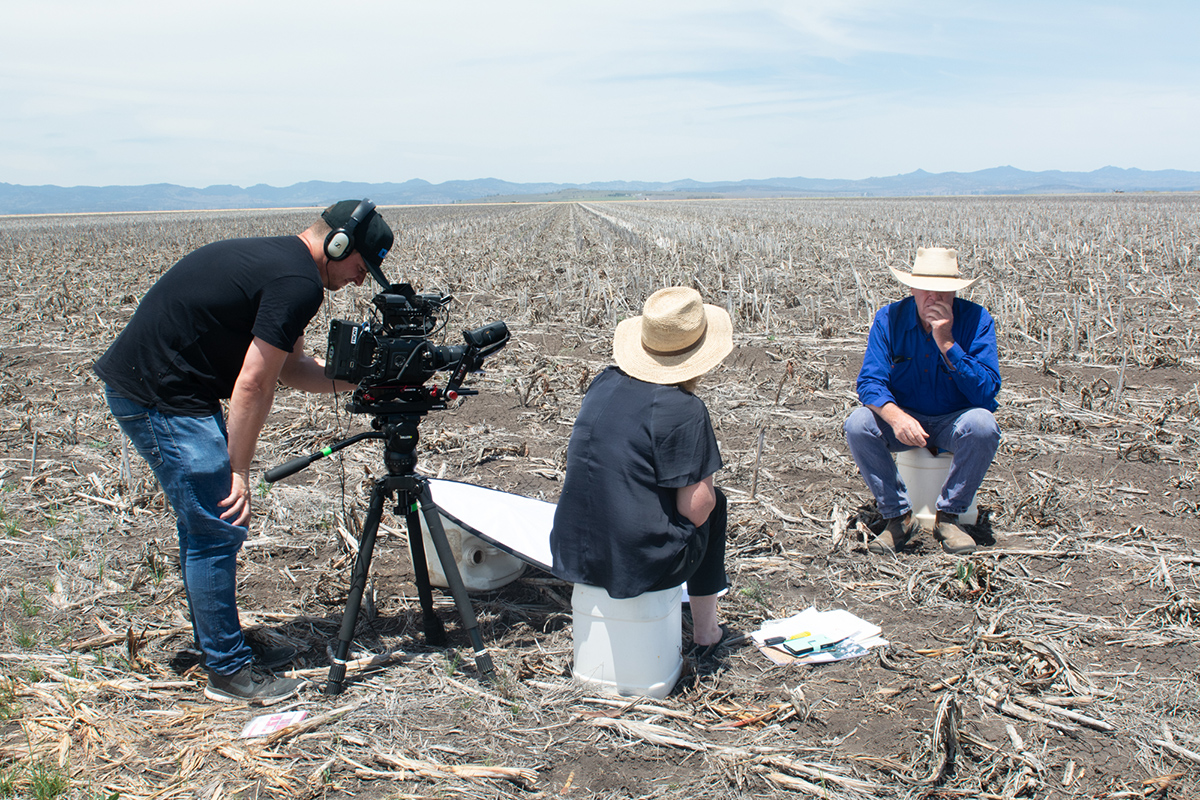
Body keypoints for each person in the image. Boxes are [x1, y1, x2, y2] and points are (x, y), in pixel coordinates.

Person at [94, 199, 394, 704]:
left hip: (165, 387)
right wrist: (238, 469)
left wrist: (365, 381)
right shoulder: (297, 283)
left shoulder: (287, 267)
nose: (361, 281)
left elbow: (292, 368)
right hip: (159, 393)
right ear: (338, 244)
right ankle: (230, 673)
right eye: (362, 268)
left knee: (208, 526)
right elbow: (253, 385)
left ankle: (221, 646)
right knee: (217, 526)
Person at [550, 286, 734, 658]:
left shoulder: (603, 383)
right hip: (638, 562)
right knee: (716, 504)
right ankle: (706, 632)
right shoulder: (685, 409)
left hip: (574, 550)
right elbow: (697, 507)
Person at [844, 247, 1001, 556]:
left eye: (942, 290)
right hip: (904, 419)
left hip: (954, 420)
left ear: (954, 291)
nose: (933, 297)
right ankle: (898, 517)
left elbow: (987, 393)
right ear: (912, 287)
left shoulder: (977, 319)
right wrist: (896, 417)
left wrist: (948, 344)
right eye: (925, 288)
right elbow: (869, 382)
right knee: (858, 424)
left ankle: (950, 516)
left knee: (983, 425)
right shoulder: (889, 319)